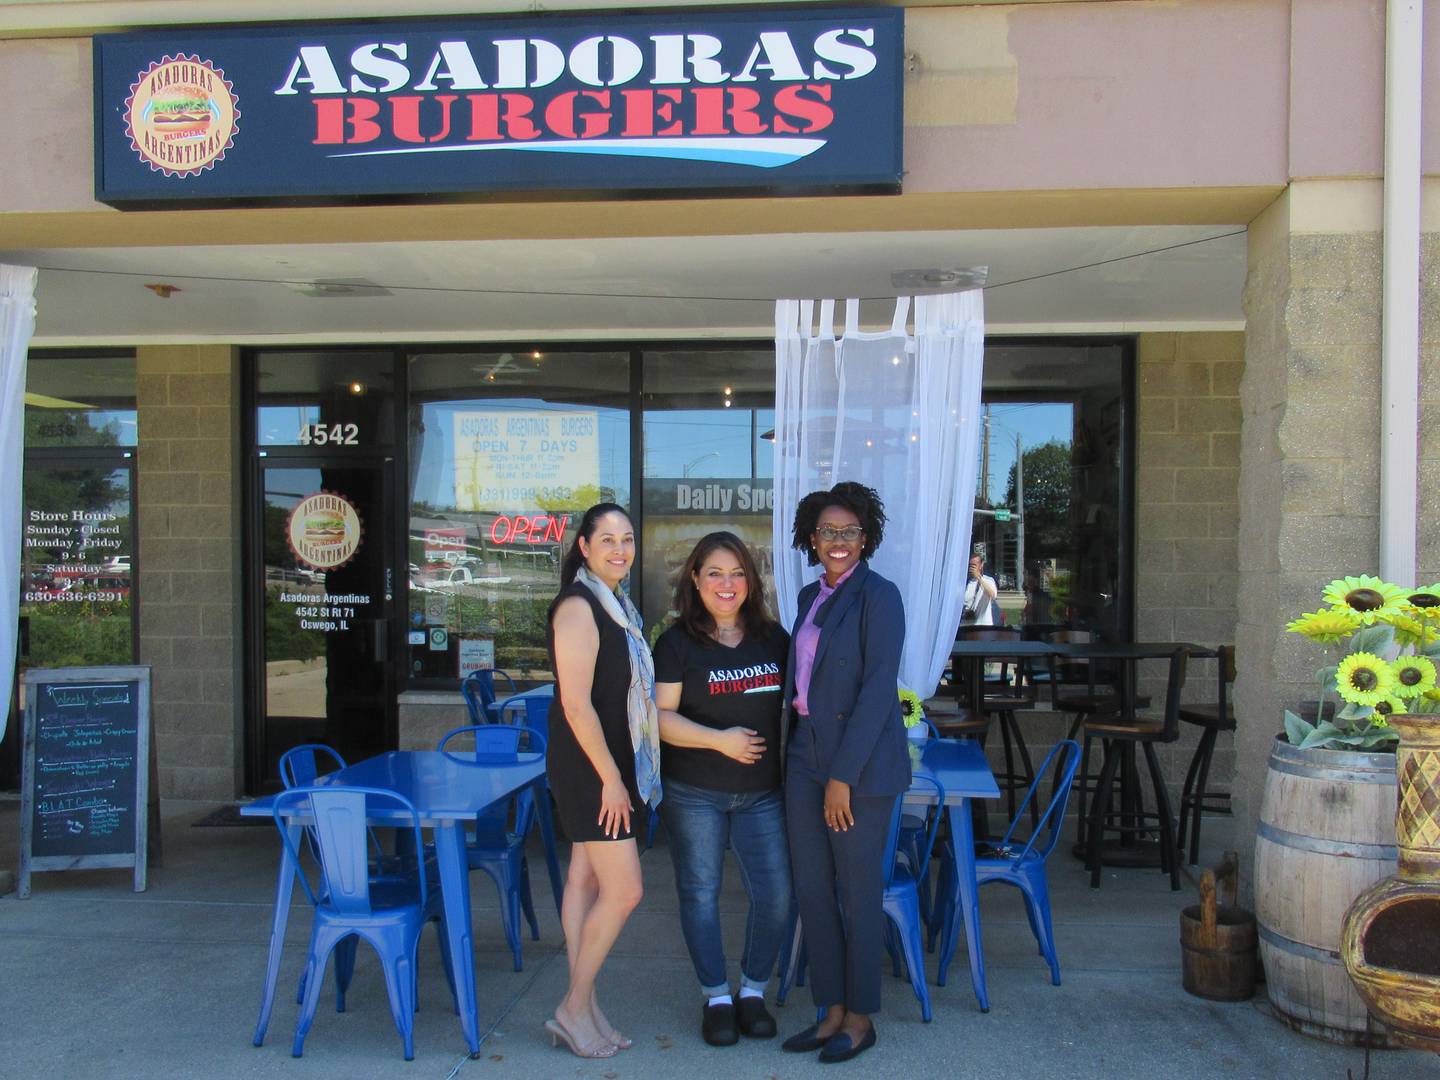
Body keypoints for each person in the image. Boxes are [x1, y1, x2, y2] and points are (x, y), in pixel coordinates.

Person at [779, 481, 908, 1065]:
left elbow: (879, 690)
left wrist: (842, 778)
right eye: (829, 531)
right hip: (804, 755)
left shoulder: (881, 598)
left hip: (858, 767)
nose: (839, 541)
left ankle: (860, 1016)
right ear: (812, 537)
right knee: (812, 889)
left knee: (857, 893)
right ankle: (830, 1009)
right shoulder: (810, 596)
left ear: (866, 538)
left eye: (850, 531)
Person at [652, 532, 791, 1047]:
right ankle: (715, 996)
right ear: (695, 579)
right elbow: (658, 718)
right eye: (714, 573)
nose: (726, 584)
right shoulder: (677, 643)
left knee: (776, 895)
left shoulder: (775, 640)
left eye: (736, 573)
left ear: (750, 582)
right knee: (700, 894)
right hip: (694, 791)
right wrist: (720, 742)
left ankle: (752, 990)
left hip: (762, 793)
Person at [544, 503, 662, 1060]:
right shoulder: (578, 607)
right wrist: (613, 780)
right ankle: (573, 1006)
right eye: (607, 539)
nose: (620, 548)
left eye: (628, 538)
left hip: (607, 762)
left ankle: (584, 1007)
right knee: (626, 890)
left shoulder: (617, 606)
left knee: (585, 881)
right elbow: (574, 704)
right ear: (584, 547)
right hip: (591, 768)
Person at [961, 553, 999, 626]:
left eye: (974, 565)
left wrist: (978, 578)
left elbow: (993, 595)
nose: (971, 567)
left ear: (981, 565)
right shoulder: (964, 582)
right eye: (970, 565)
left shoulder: (988, 580)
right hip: (966, 625)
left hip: (983, 626)